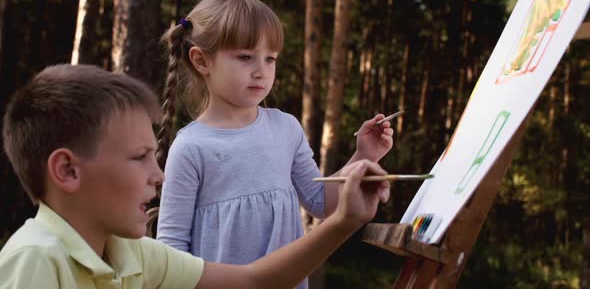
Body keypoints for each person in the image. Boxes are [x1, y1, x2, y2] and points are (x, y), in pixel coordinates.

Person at [0, 64, 390, 289]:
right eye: (140, 158)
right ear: (68, 171)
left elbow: (255, 281)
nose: (160, 177)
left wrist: (343, 222)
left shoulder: (134, 253)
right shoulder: (35, 260)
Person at [156, 0, 394, 288]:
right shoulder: (191, 146)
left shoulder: (286, 129)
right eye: (245, 57)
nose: (261, 71)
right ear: (202, 60)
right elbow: (169, 252)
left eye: (270, 59)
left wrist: (364, 156)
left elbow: (322, 203)